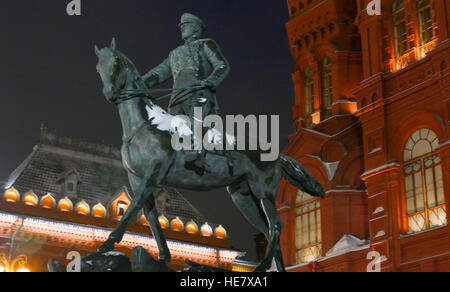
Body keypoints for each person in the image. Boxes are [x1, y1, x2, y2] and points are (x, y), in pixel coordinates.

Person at [142, 13, 230, 171]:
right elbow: (159, 72)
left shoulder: (206, 44)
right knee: (167, 128)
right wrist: (139, 83)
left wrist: (209, 81)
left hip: (199, 95)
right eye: (181, 25)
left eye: (186, 24)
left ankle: (197, 154)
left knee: (196, 121)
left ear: (196, 28)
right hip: (177, 98)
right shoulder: (174, 54)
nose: (181, 27)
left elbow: (222, 65)